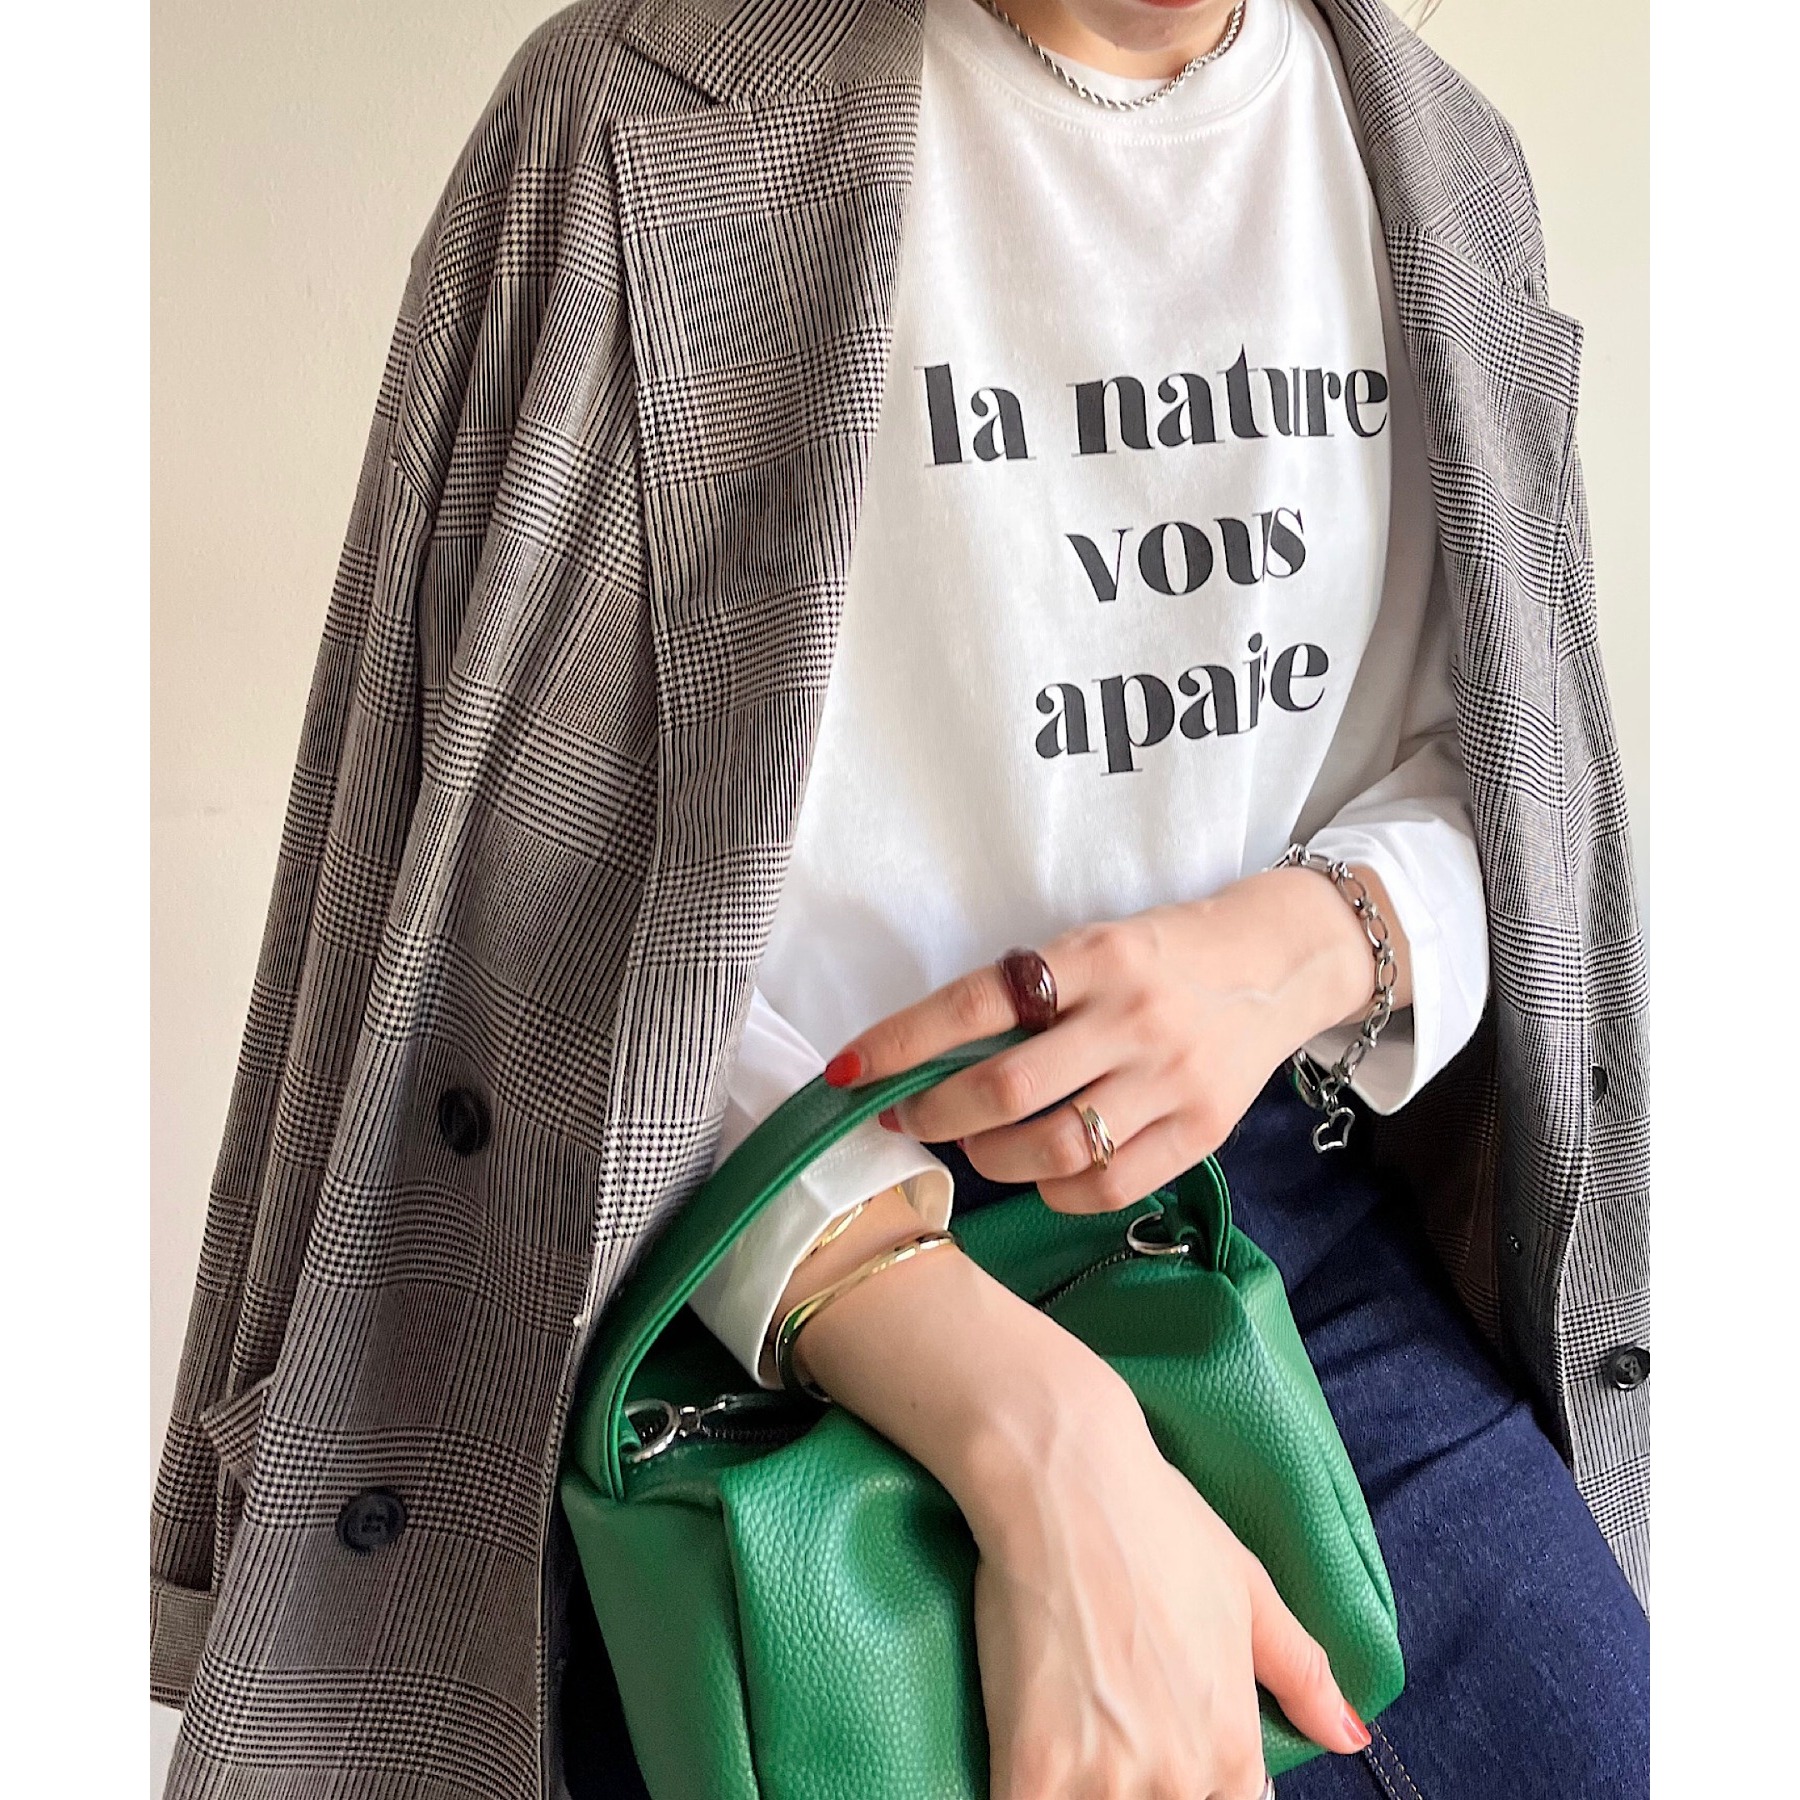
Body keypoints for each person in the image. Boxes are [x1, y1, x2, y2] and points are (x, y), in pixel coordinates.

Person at [150, 1, 1649, 1796]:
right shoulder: (636, 128)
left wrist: (1315, 943)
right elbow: (505, 908)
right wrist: (1035, 1430)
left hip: (1269, 1214)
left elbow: (1517, 780)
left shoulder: (1436, 159)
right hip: (726, 1252)